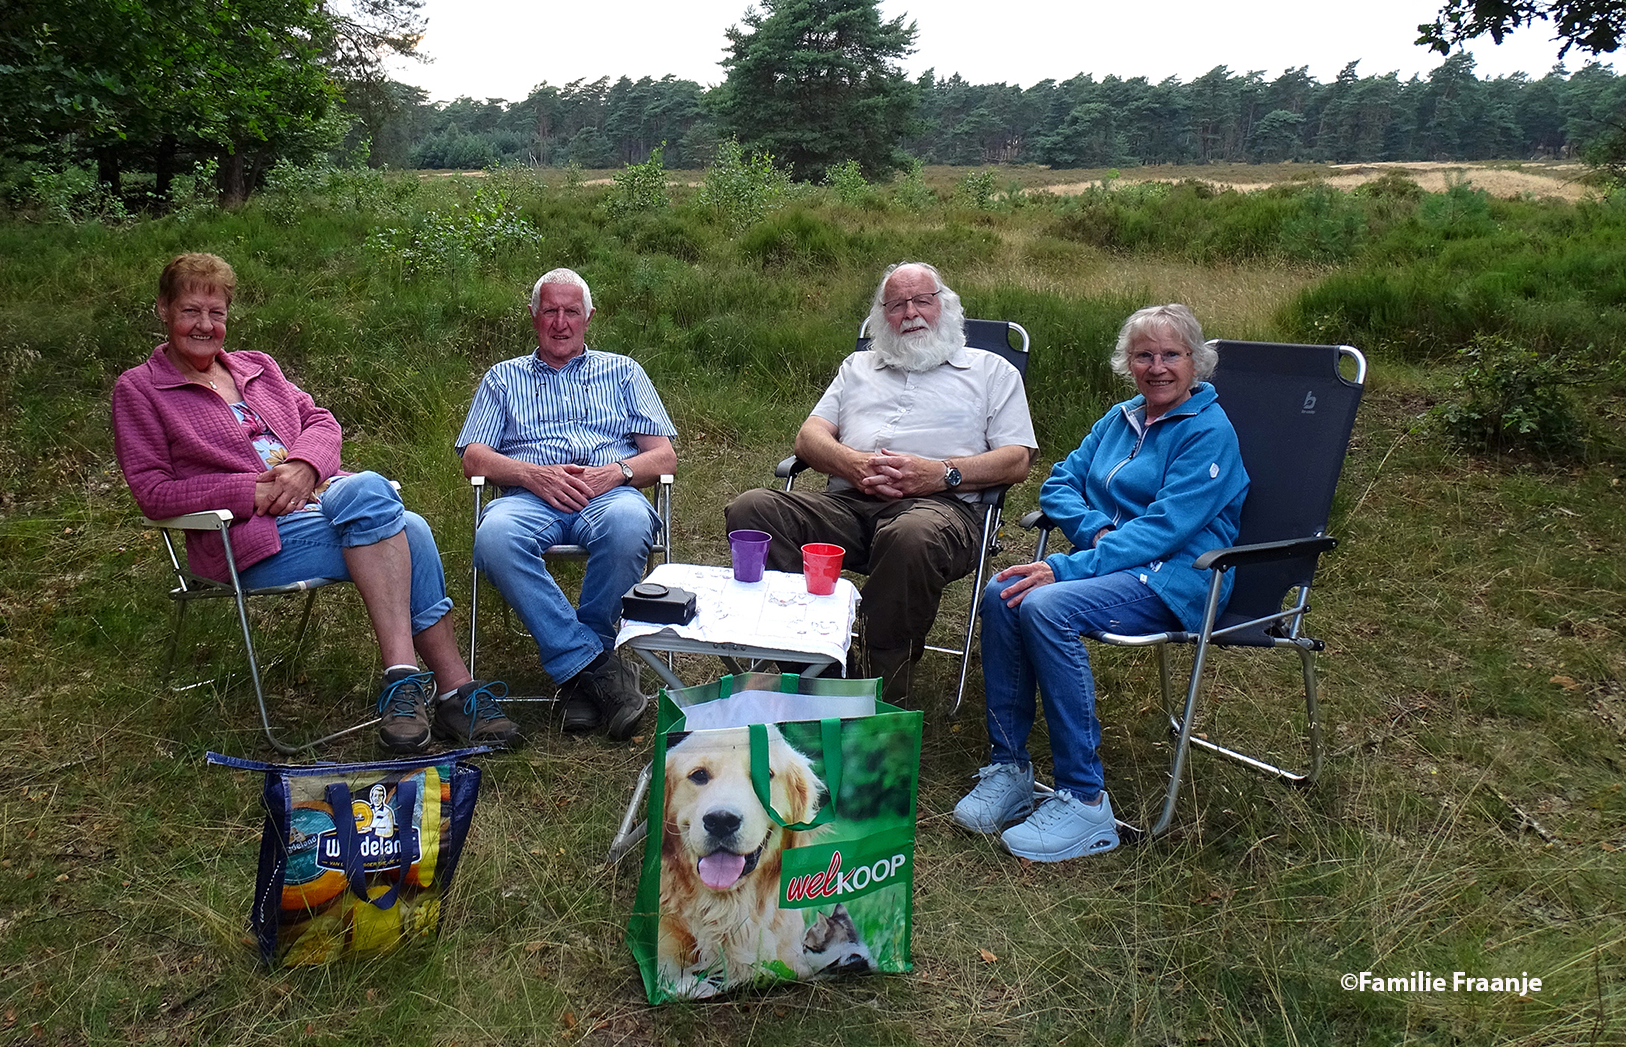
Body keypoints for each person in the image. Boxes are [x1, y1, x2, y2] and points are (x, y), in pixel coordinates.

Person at [112, 253, 516, 753]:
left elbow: (322, 423)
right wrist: (247, 492)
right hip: (247, 536)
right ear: (163, 310)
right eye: (191, 311)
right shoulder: (141, 389)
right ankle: (445, 689)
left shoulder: (257, 367)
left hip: (324, 504)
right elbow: (153, 492)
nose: (204, 325)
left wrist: (305, 466)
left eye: (216, 313)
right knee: (403, 522)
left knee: (378, 502)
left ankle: (417, 685)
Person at [952, 303, 1250, 862]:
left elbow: (1163, 532)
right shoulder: (1120, 419)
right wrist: (1097, 529)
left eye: (1171, 355)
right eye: (1144, 355)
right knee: (1001, 592)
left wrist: (1067, 564)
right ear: (1128, 363)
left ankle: (1085, 800)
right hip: (1116, 563)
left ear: (1196, 362)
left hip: (1180, 578)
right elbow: (1058, 485)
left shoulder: (1210, 433)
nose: (1157, 367)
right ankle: (1010, 766)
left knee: (1045, 606)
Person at [724, 261, 1037, 702]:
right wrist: (851, 464)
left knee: (910, 536)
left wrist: (940, 473)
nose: (910, 313)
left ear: (944, 307)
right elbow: (808, 436)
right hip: (848, 504)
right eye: (896, 305)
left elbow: (1017, 458)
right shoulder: (858, 367)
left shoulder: (991, 371)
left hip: (941, 509)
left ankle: (876, 687)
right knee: (751, 510)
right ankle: (814, 668)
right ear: (881, 317)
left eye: (922, 301)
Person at [458, 268, 677, 740]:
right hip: (529, 496)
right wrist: (531, 475)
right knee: (494, 536)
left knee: (629, 524)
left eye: (571, 311)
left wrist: (614, 473)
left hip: (607, 493)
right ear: (534, 315)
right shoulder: (503, 378)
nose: (561, 322)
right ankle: (596, 668)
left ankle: (582, 675)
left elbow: (663, 455)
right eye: (550, 311)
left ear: (589, 317)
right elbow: (474, 455)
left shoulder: (623, 371)